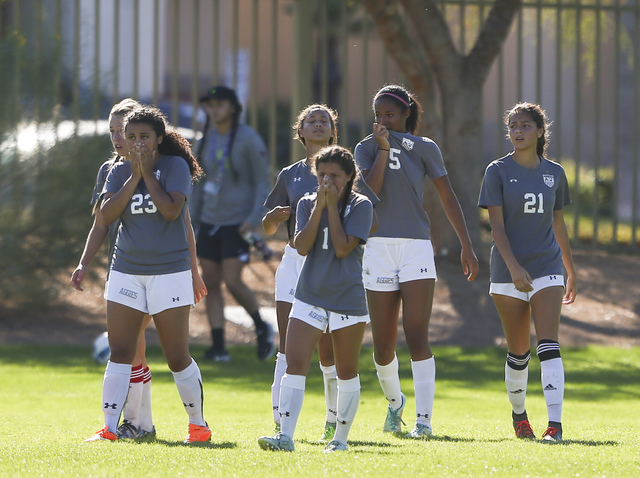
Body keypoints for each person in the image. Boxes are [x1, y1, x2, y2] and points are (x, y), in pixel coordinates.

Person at [72, 99, 207, 441]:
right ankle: (111, 428)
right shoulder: (117, 171)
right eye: (129, 136)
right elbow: (106, 216)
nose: (135, 143)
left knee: (176, 356)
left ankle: (198, 426)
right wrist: (134, 175)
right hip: (126, 270)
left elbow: (172, 212)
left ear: (159, 138)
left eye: (143, 136)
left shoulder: (174, 166)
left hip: (169, 271)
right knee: (121, 352)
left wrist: (147, 173)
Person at [355, 84, 479, 438]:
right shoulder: (364, 148)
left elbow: (447, 194)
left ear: (407, 113)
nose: (382, 121)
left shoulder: (425, 148)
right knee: (382, 347)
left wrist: (466, 244)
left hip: (416, 248)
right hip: (378, 247)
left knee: (416, 334)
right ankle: (396, 405)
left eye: (389, 115)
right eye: (377, 115)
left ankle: (424, 422)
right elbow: (370, 193)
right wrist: (381, 147)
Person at [258, 145, 373, 453]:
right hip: (309, 294)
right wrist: (320, 208)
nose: (327, 182)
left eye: (335, 176)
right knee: (295, 362)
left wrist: (333, 209)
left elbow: (342, 247)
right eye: (321, 174)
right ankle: (285, 436)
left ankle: (340, 440)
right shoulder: (308, 203)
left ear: (349, 177)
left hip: (347, 297)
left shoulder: (361, 205)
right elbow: (303, 246)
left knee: (346, 370)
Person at [478, 102, 577, 443]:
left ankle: (555, 426)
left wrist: (569, 269)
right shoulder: (497, 170)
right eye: (512, 126)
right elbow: (497, 227)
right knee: (518, 352)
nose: (517, 131)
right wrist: (514, 267)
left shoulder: (555, 172)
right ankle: (520, 418)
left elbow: (558, 222)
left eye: (524, 125)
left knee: (548, 345)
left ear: (539, 131)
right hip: (507, 270)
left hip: (547, 266)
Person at [262, 104, 341, 442]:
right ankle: (281, 422)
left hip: (330, 262)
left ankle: (333, 418)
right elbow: (266, 226)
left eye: (325, 120)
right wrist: (274, 218)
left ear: (332, 131)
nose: (318, 124)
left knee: (327, 349)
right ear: (301, 131)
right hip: (294, 261)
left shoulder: (346, 171)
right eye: (312, 120)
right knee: (287, 345)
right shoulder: (289, 174)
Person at [191, 85, 275, 362]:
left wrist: (252, 220)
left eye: (220, 104)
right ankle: (218, 347)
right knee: (210, 282)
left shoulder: (248, 139)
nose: (214, 110)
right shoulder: (206, 139)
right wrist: (193, 220)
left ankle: (262, 327)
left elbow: (262, 182)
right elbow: (200, 184)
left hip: (238, 223)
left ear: (233, 108)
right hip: (209, 221)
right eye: (210, 105)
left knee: (232, 279)